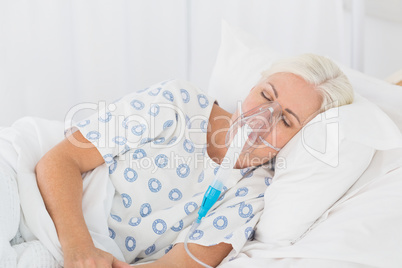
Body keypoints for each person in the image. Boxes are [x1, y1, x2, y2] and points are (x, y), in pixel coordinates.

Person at [35, 54, 353, 268]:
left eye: (285, 120)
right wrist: (78, 246)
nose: (261, 119)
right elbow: (61, 161)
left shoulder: (256, 194)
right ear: (253, 85)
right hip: (44, 210)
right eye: (266, 96)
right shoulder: (177, 104)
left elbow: (177, 265)